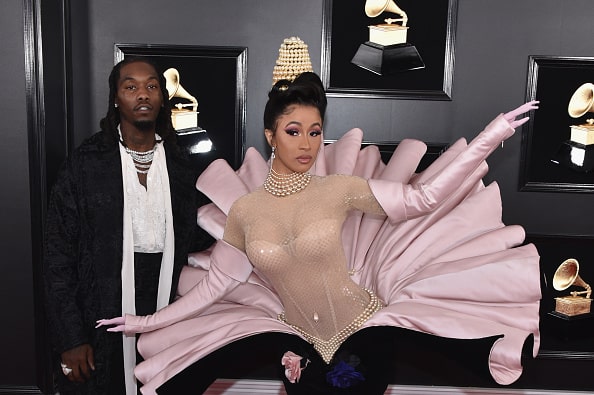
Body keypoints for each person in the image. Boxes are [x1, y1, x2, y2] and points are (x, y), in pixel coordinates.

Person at [97, 72, 542, 395]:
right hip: (296, 345)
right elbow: (213, 289)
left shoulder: (338, 190)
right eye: (294, 132)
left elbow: (423, 199)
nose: (307, 144)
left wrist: (492, 134)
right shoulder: (247, 212)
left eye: (315, 132)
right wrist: (144, 322)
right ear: (272, 136)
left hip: (366, 330)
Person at [43, 56, 214, 395]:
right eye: (131, 86)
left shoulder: (183, 167)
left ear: (162, 97)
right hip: (99, 311)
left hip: (168, 305)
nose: (143, 94)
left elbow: (201, 247)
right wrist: (71, 337)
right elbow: (57, 255)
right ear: (116, 98)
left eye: (151, 86)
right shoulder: (86, 164)